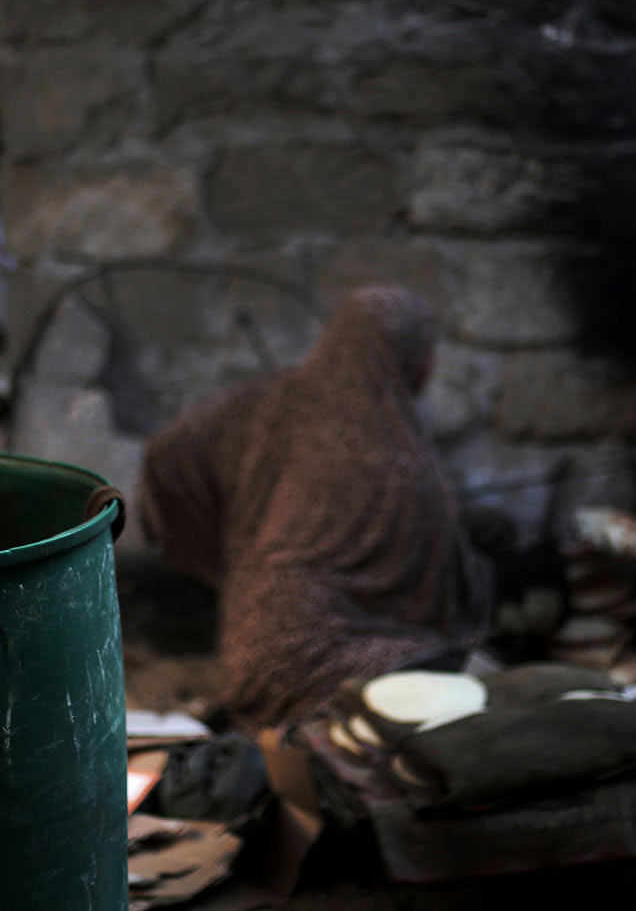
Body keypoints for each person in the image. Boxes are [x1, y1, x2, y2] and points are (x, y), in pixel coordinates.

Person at [138, 285, 494, 731]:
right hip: (323, 654)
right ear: (415, 355)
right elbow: (436, 592)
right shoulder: (399, 453)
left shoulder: (268, 400)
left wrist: (220, 551)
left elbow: (169, 454)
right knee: (485, 682)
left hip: (248, 631)